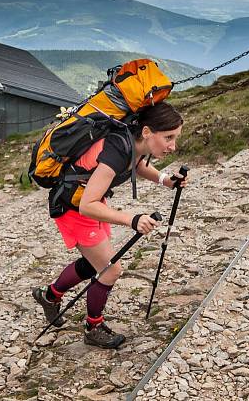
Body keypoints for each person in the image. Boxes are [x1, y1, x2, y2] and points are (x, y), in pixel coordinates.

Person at [33, 101, 186, 349]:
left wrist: (166, 180)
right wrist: (132, 219)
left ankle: (49, 296)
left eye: (175, 138)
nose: (172, 146)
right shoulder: (116, 149)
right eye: (168, 137)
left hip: (86, 202)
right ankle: (93, 328)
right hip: (74, 208)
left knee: (98, 262)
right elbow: (87, 205)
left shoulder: (131, 142)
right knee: (111, 269)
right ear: (147, 132)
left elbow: (136, 164)